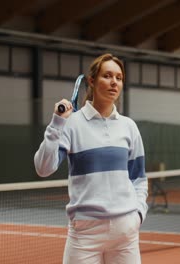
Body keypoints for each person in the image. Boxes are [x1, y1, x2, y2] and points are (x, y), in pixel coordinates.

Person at [34, 53, 148, 264]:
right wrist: (56, 124)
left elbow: (139, 178)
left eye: (119, 77)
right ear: (92, 81)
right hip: (84, 234)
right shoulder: (70, 124)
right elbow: (43, 168)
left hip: (125, 232)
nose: (114, 82)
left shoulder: (129, 127)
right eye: (107, 75)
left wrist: (138, 215)